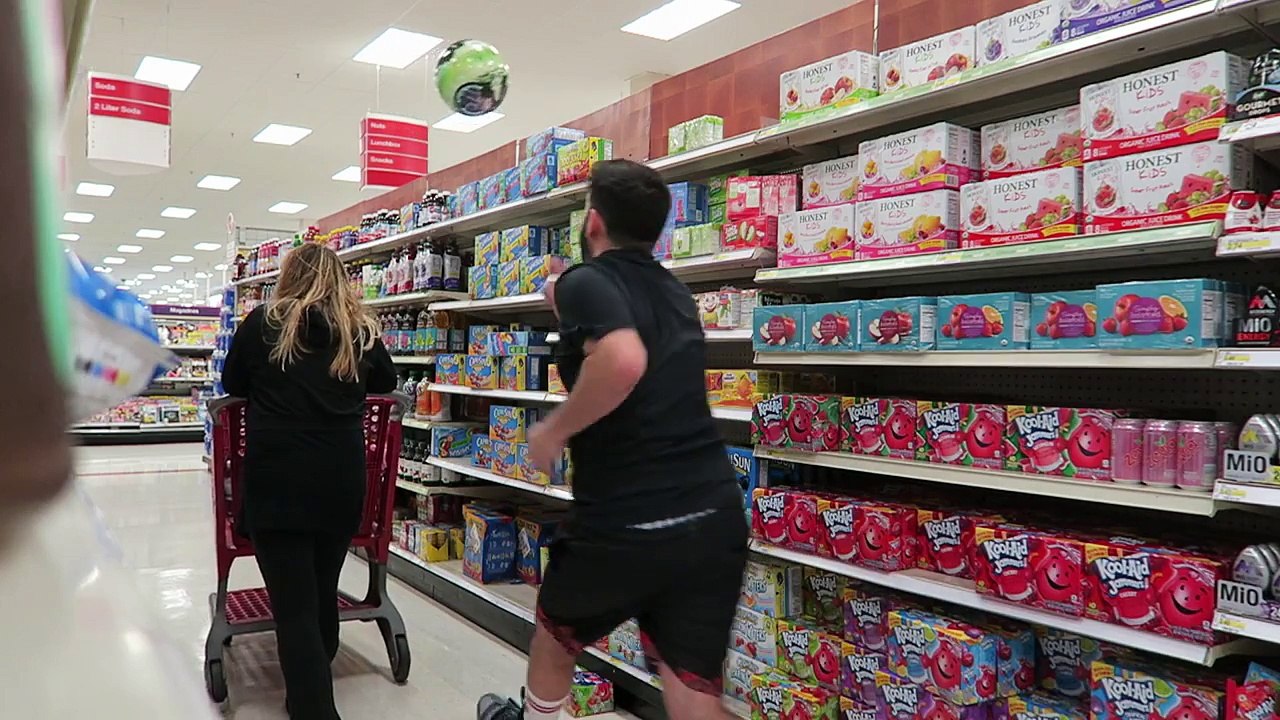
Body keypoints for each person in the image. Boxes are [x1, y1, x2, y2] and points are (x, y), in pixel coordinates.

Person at [478, 160, 748, 720]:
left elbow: (624, 358)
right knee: (692, 689)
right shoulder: (674, 291)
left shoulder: (586, 279)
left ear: (593, 222)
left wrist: (554, 430)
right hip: (710, 516)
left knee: (555, 640)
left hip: (626, 518)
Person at [221, 242, 397, 720]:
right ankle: (312, 675)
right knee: (322, 589)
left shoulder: (263, 324)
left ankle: (313, 707)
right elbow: (386, 382)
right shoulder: (357, 331)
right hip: (340, 484)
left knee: (294, 605)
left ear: (288, 278)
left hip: (278, 482)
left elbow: (232, 384)